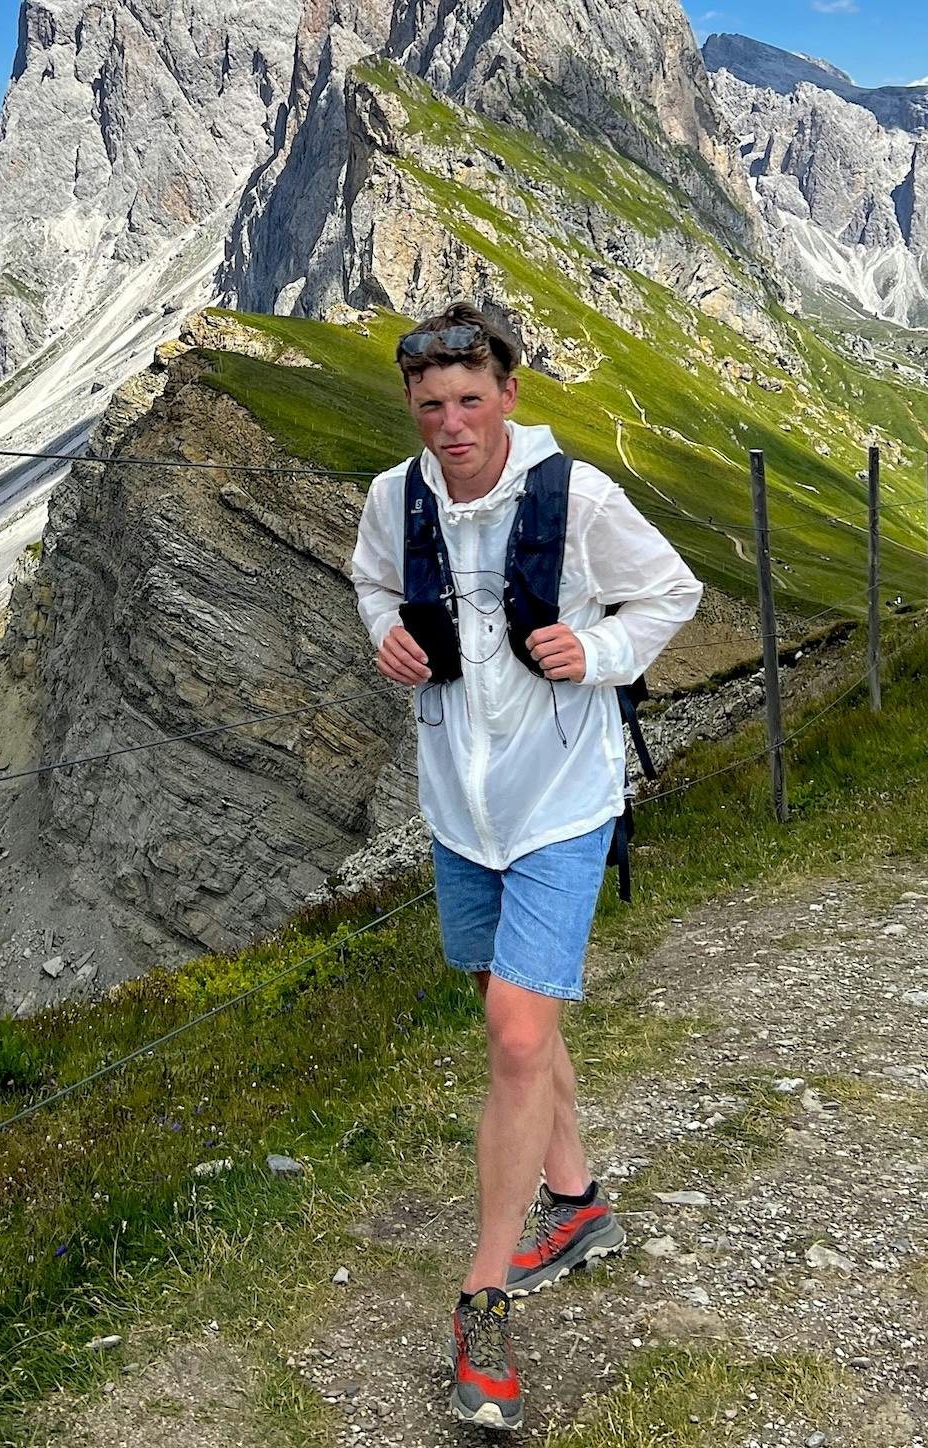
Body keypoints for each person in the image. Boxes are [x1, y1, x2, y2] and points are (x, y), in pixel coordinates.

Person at [350, 303, 703, 1430]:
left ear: (507, 394)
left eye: (469, 399)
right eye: (430, 405)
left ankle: (482, 1296)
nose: (451, 423)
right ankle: (575, 1199)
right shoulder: (393, 499)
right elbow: (370, 585)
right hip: (458, 803)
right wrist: (385, 637)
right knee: (512, 1015)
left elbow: (672, 591)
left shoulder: (578, 496)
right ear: (412, 406)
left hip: (560, 800)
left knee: (511, 1029)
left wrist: (596, 650)